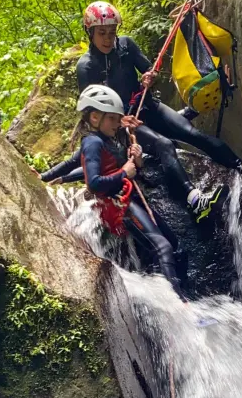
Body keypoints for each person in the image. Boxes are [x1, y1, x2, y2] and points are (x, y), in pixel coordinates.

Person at [75, 1, 242, 221]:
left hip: (147, 106)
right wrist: (120, 120)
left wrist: (149, 78)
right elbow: (91, 110)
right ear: (90, 33)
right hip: (122, 125)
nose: (108, 38)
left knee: (192, 134)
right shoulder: (86, 66)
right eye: (102, 33)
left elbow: (148, 70)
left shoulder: (126, 45)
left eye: (112, 32)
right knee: (163, 145)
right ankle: (194, 200)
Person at [75, 84, 186, 299]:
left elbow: (124, 168)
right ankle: (180, 304)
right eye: (113, 119)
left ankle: (180, 297)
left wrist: (136, 161)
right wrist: (125, 173)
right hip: (119, 204)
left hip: (128, 199)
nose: (118, 124)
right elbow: (94, 184)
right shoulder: (92, 142)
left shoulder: (106, 140)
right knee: (162, 246)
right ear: (95, 117)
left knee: (173, 245)